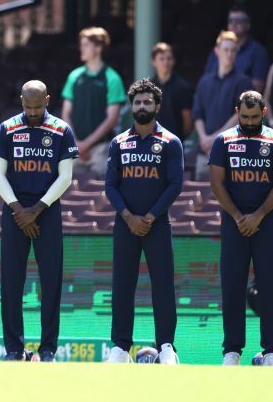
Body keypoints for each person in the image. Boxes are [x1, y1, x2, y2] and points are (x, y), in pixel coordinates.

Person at [0, 80, 78, 361]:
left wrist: (36, 210)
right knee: (11, 282)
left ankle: (48, 348)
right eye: (27, 107)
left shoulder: (62, 130)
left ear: (48, 100)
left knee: (50, 282)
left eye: (38, 107)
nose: (32, 113)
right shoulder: (7, 128)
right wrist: (19, 210)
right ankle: (14, 349)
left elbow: (65, 177)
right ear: (21, 101)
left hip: (47, 211)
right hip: (15, 210)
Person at [209, 91, 273, 366]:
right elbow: (216, 183)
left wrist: (257, 216)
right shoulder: (223, 140)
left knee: (270, 287)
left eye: (254, 117)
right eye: (244, 116)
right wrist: (237, 216)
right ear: (237, 111)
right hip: (233, 224)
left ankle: (271, 351)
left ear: (264, 111)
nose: (249, 121)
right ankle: (232, 351)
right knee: (232, 286)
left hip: (266, 222)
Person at [104, 79, 183, 364]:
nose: (142, 106)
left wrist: (149, 217)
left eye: (147, 102)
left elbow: (175, 185)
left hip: (157, 225)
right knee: (122, 286)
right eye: (137, 102)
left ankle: (166, 346)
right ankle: (120, 347)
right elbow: (111, 185)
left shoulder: (171, 142)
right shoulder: (119, 142)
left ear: (157, 106)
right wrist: (128, 216)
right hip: (125, 225)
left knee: (162, 286)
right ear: (131, 105)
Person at [60, 27, 125, 176]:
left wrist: (86, 144)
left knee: (102, 188)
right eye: (81, 44)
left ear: (98, 48)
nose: (81, 48)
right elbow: (66, 113)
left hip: (101, 149)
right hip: (74, 148)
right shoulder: (74, 76)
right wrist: (75, 143)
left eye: (86, 45)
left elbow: (111, 118)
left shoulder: (112, 78)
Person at [193, 31, 253, 180]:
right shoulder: (204, 81)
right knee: (199, 199)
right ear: (217, 51)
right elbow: (197, 114)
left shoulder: (243, 81)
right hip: (205, 153)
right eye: (226, 50)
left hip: (231, 153)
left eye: (233, 50)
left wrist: (215, 139)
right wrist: (204, 139)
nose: (229, 54)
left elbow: (242, 114)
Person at [204, 8, 269, 92]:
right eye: (231, 21)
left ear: (248, 25)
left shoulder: (258, 51)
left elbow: (256, 88)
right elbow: (206, 81)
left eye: (239, 21)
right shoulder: (217, 50)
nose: (234, 24)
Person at [149, 43, 193, 140]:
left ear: (173, 61)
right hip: (151, 141)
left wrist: (179, 139)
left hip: (175, 141)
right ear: (153, 62)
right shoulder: (148, 87)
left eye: (169, 58)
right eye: (161, 59)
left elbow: (188, 120)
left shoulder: (182, 87)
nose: (166, 62)